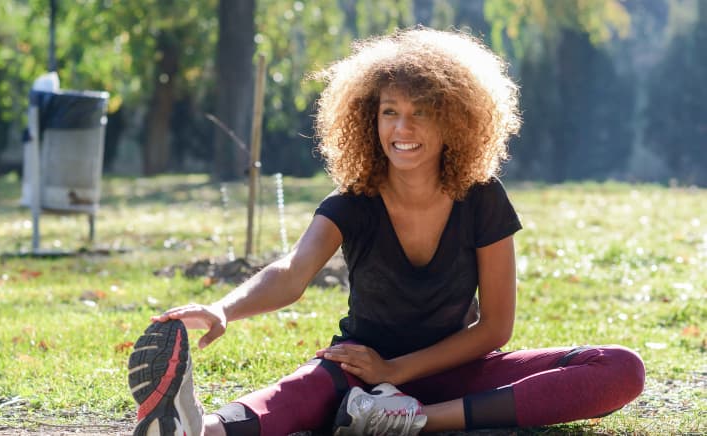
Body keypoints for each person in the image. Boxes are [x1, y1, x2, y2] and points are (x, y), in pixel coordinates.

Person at [126, 27, 645, 436]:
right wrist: (223, 309)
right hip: (359, 372)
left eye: (422, 113)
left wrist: (397, 373)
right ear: (368, 121)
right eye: (389, 113)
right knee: (299, 393)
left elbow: (495, 328)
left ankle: (412, 421)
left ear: (455, 121)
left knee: (620, 367)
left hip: (456, 371)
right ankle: (195, 429)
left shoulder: (483, 198)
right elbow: (291, 272)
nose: (402, 129)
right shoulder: (352, 202)